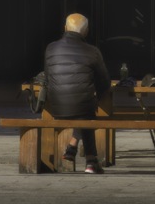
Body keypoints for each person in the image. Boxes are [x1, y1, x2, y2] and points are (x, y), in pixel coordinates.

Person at [44, 12, 110, 174]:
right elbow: (104, 82)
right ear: (86, 32)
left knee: (84, 109)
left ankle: (74, 150)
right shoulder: (93, 51)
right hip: (83, 106)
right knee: (87, 110)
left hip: (56, 105)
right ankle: (90, 161)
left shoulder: (51, 48)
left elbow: (48, 76)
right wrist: (98, 97)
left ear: (65, 28)